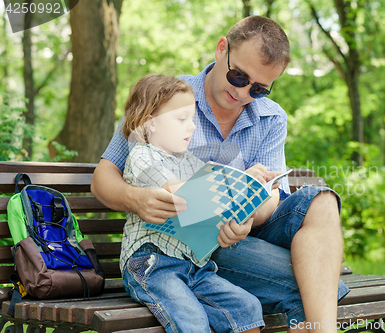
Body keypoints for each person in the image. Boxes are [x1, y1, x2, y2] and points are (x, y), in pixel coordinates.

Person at [92, 16, 349, 332]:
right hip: (190, 251)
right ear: (221, 49)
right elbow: (103, 176)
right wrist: (136, 198)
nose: (243, 94)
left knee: (321, 201)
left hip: (243, 238)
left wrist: (246, 217)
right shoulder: (167, 98)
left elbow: (270, 201)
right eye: (239, 76)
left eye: (258, 89)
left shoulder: (271, 118)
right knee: (322, 286)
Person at [118, 74, 269, 332]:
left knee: (248, 306)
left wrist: (248, 184)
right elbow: (180, 194)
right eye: (181, 119)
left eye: (192, 119)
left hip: (195, 268)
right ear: (149, 123)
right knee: (192, 320)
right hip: (152, 265)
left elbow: (216, 193)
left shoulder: (188, 161)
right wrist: (226, 186)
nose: (192, 127)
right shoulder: (143, 156)